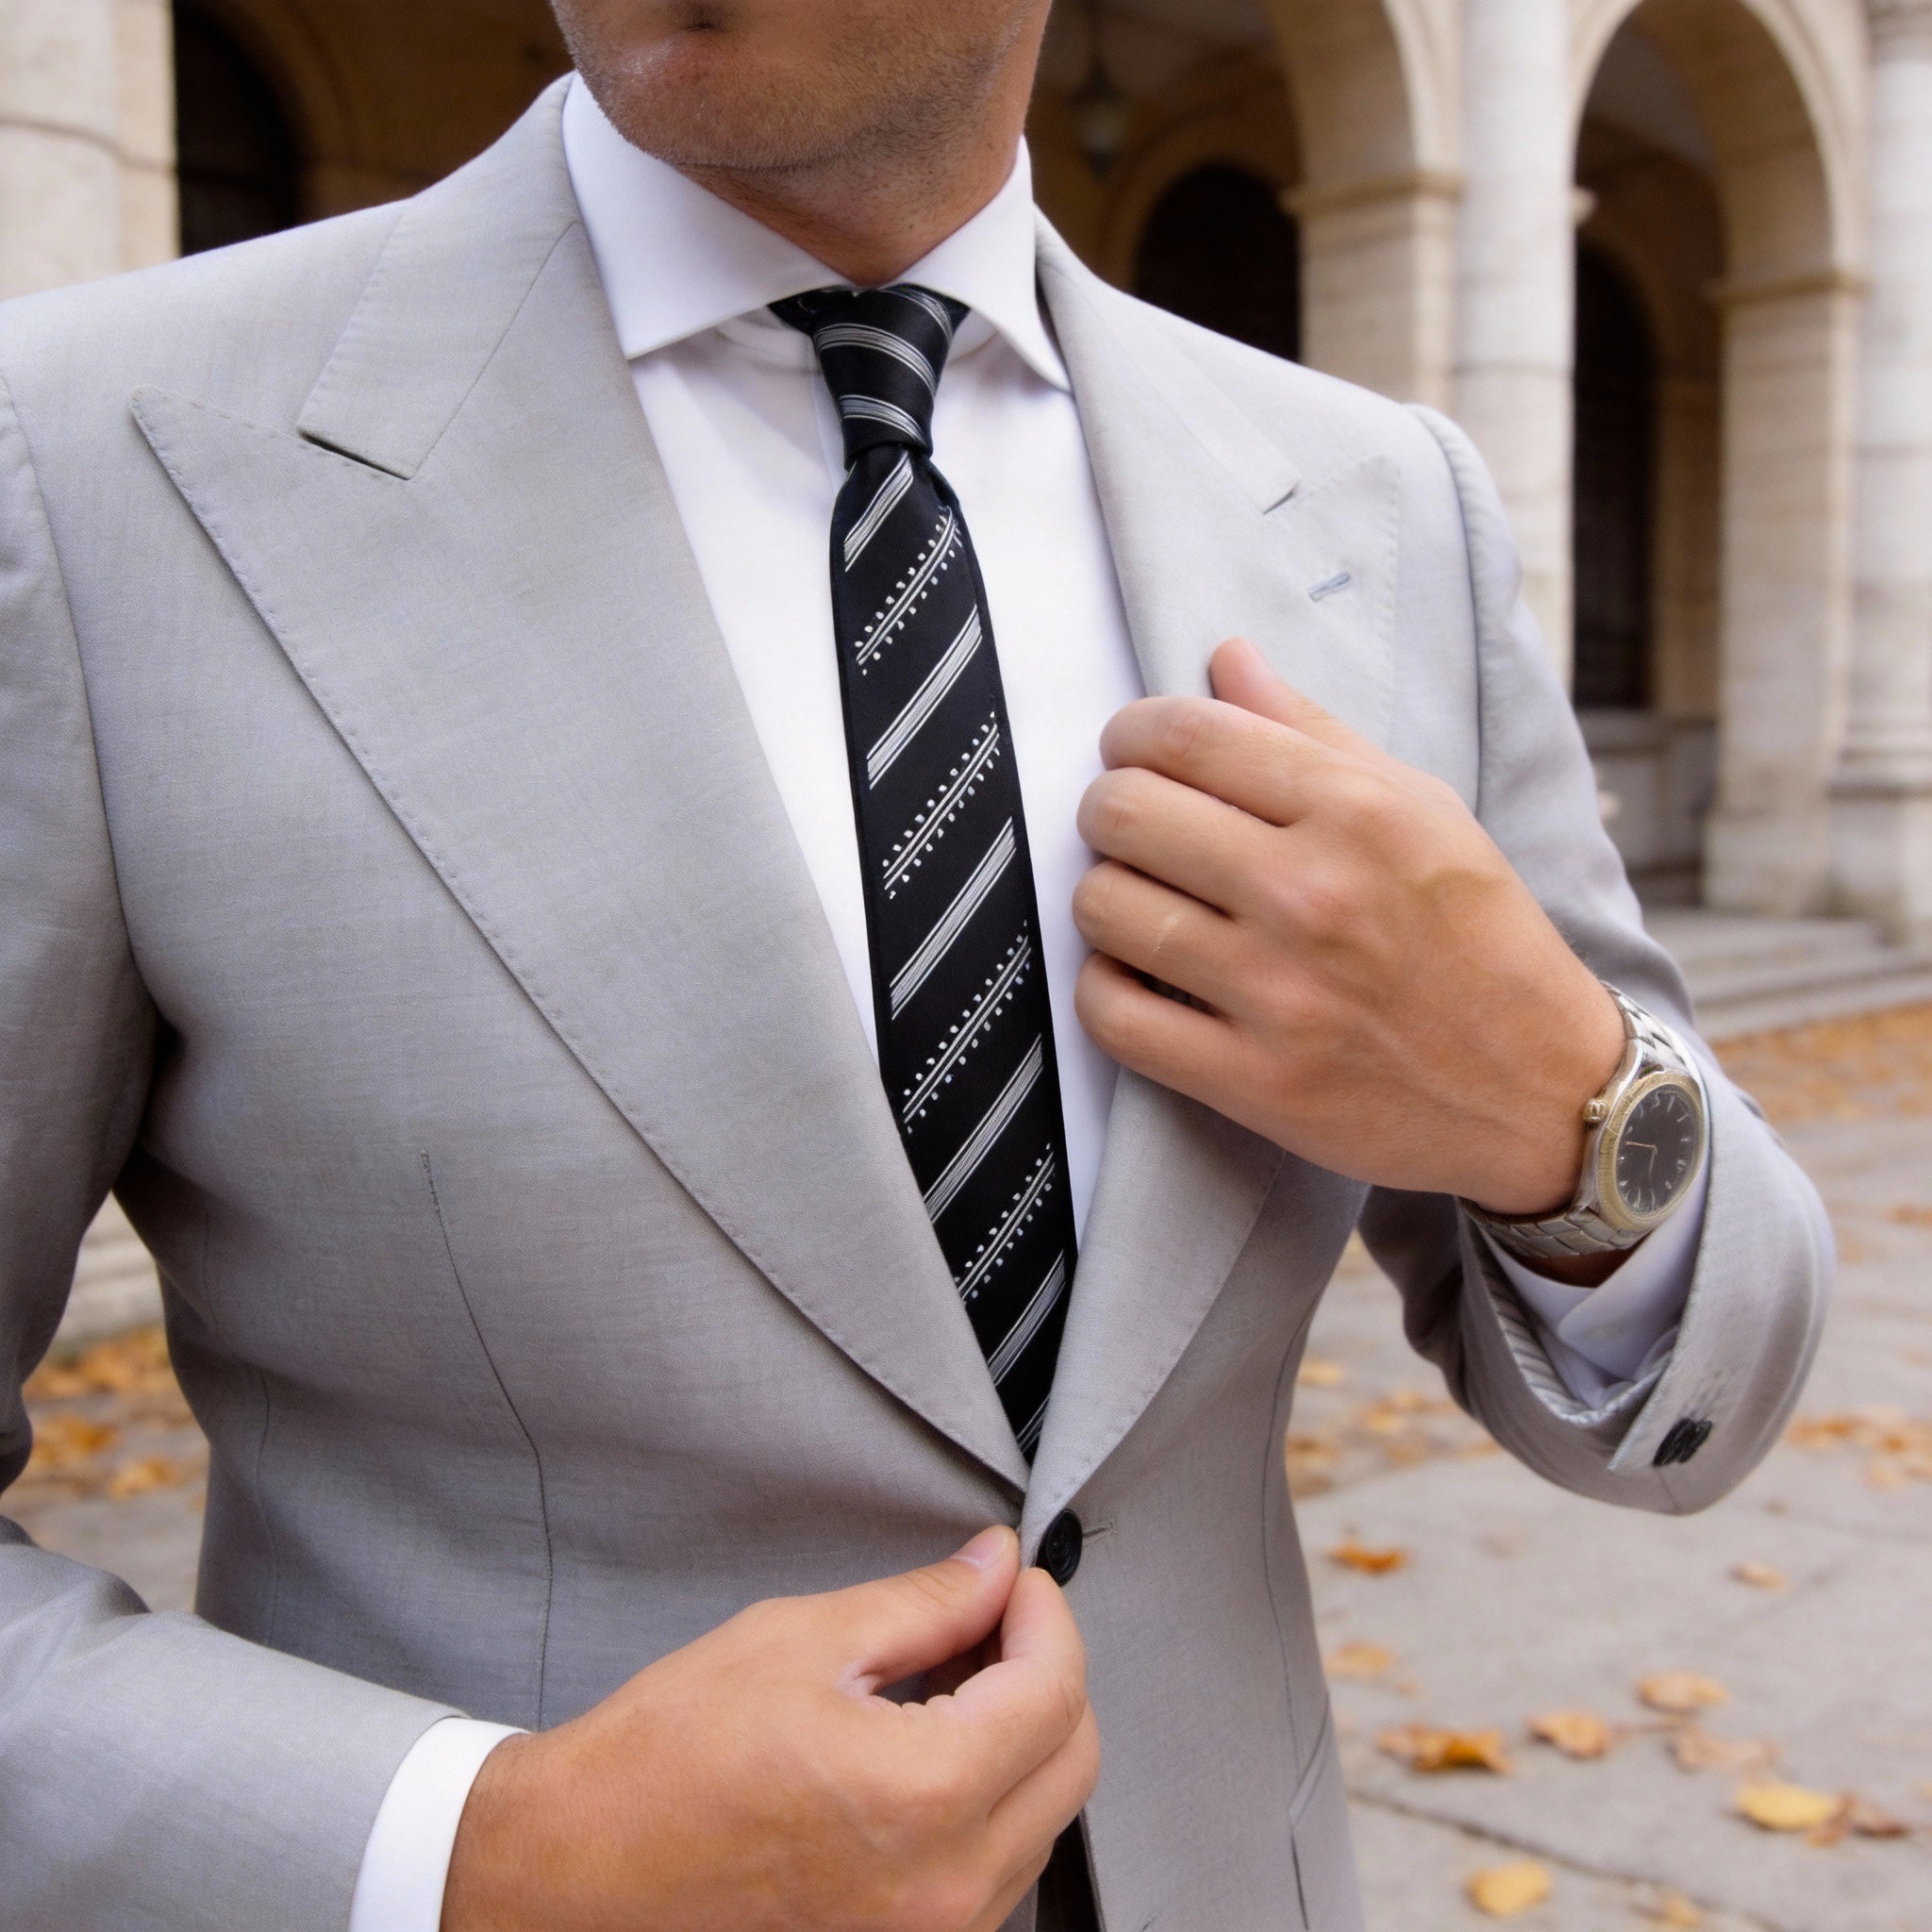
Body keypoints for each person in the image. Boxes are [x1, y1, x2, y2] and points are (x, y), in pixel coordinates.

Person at [0, 1, 1830, 1927]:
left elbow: (1710, 1386)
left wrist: (1562, 1096)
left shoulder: (1381, 507)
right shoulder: (85, 463)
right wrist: (467, 1852)